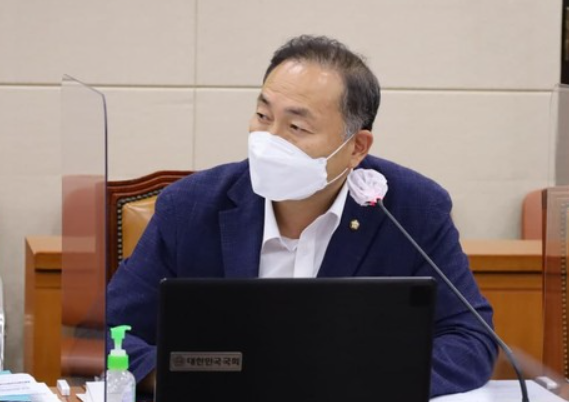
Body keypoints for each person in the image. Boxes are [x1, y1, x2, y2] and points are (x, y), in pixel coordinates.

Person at [107, 35, 498, 397]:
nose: (269, 139)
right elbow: (105, 331)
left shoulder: (412, 210)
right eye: (263, 116)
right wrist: (188, 381)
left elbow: (470, 339)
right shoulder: (189, 207)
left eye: (296, 126)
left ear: (356, 147)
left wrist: (356, 384)